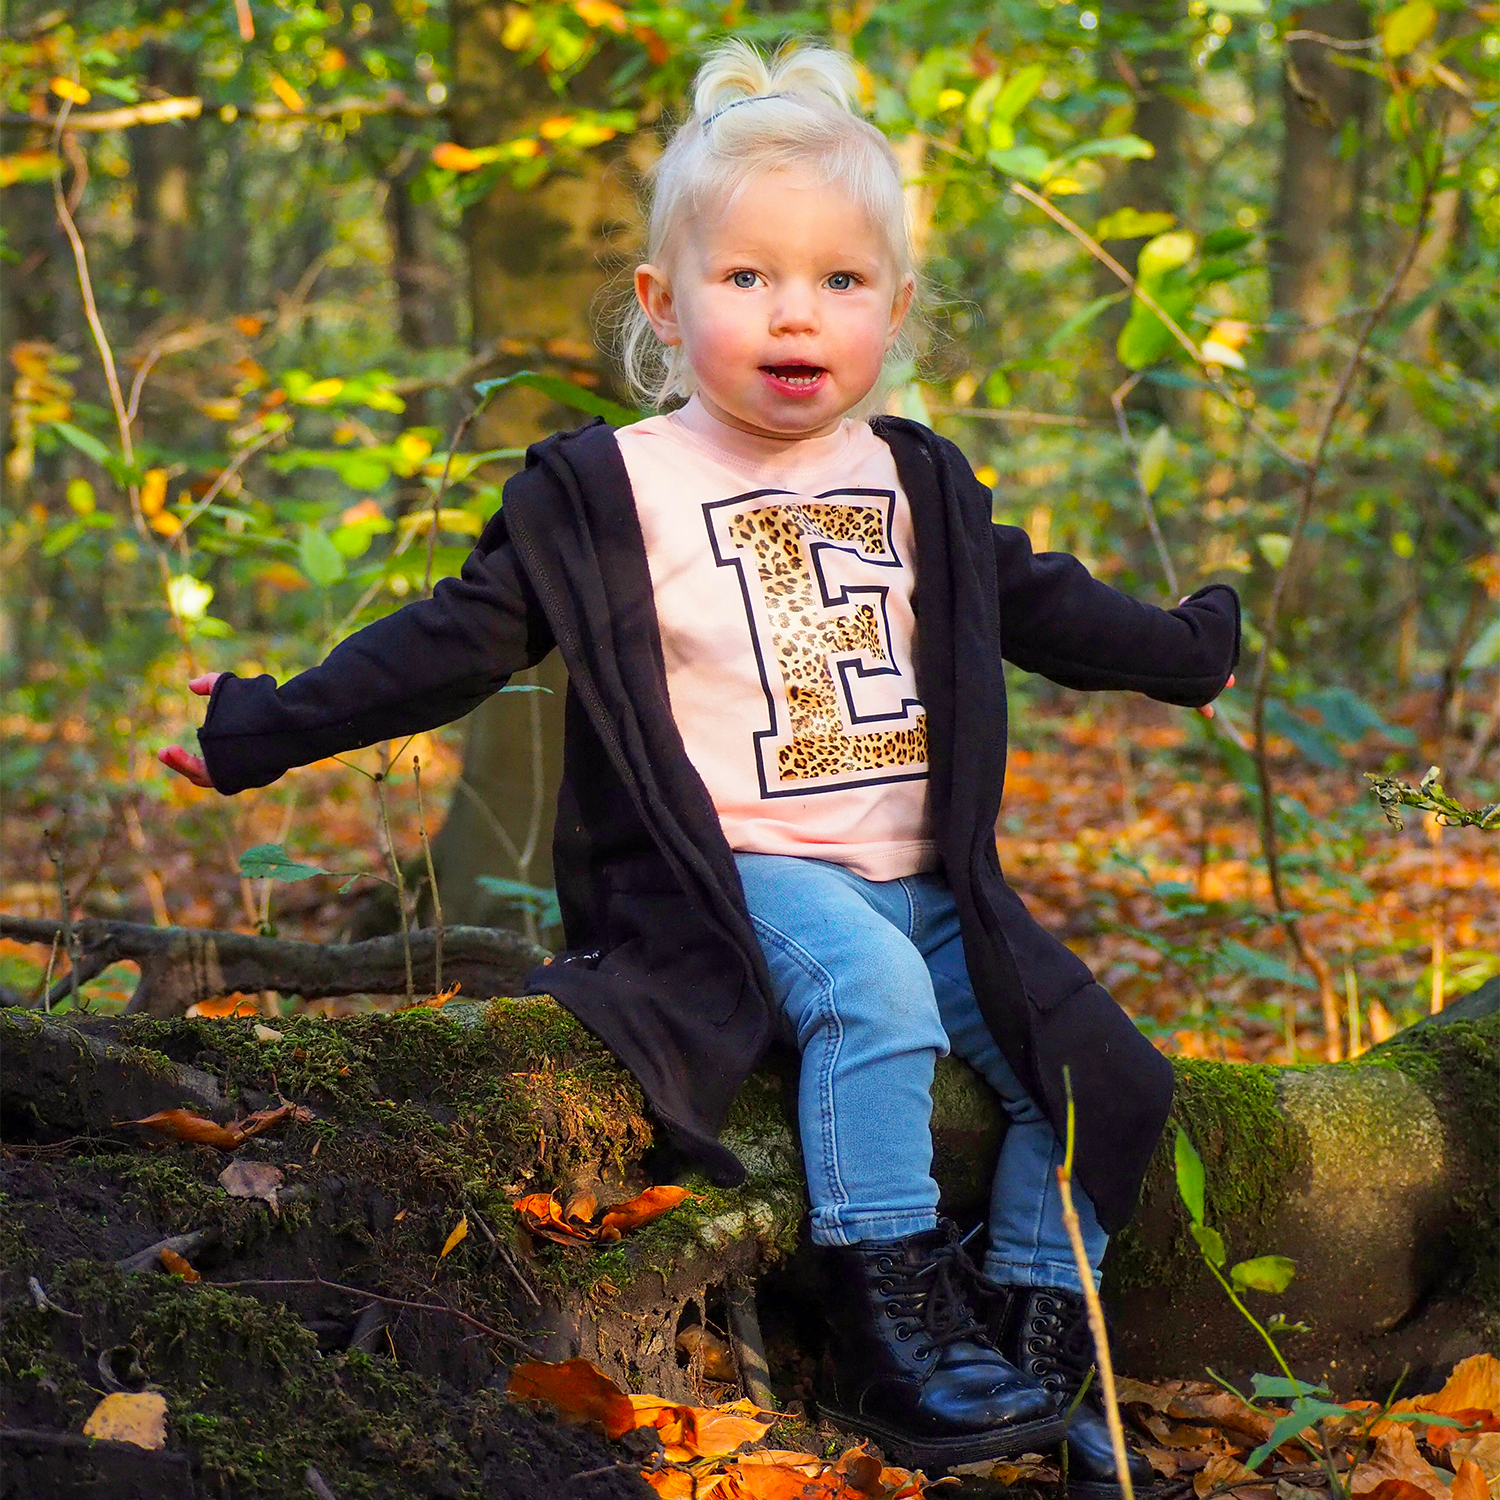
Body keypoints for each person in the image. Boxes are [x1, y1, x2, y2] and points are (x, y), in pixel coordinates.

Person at [161, 40, 1238, 1479]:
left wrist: (1190, 650)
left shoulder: (913, 477)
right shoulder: (617, 490)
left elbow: (1047, 604)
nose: (797, 314)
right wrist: (258, 725)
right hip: (739, 874)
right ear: (666, 308)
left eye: (840, 282)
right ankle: (891, 1328)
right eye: (748, 280)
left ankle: (1036, 1326)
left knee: (1112, 1073)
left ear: (895, 310)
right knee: (876, 1004)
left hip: (928, 878)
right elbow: (454, 641)